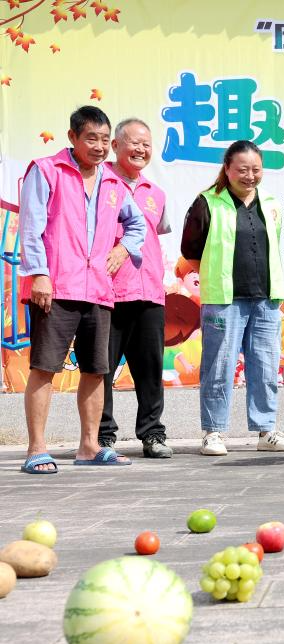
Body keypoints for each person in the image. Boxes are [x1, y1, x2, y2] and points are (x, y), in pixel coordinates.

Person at [18, 105, 146, 473]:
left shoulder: (113, 183)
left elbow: (137, 225)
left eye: (105, 140)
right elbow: (31, 227)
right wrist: (39, 274)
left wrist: (122, 250)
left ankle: (90, 446)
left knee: (95, 370)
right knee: (44, 367)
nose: (100, 147)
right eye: (92, 138)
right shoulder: (47, 170)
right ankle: (36, 448)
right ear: (72, 137)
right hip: (56, 287)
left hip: (98, 290)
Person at [181, 140, 284, 456]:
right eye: (242, 170)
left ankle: (266, 430)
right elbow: (190, 251)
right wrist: (215, 276)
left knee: (265, 366)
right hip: (224, 300)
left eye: (256, 170)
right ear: (227, 168)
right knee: (218, 366)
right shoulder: (207, 202)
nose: (250, 176)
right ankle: (213, 432)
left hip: (266, 299)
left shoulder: (270, 203)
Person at [98, 118, 173, 459]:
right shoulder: (98, 183)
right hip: (108, 292)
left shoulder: (156, 193)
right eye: (134, 143)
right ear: (115, 146)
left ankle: (153, 434)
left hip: (150, 293)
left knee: (150, 370)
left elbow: (158, 233)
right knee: (101, 369)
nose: (141, 149)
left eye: (146, 144)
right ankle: (102, 436)